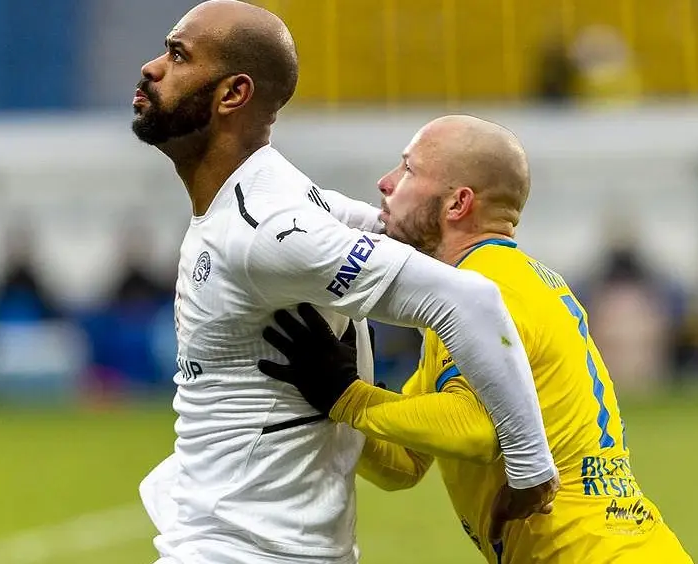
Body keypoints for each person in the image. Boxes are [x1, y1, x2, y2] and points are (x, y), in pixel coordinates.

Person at [130, 2, 557, 564]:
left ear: (234, 94)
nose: (152, 67)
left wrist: (530, 466)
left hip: (243, 551)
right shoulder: (280, 199)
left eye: (178, 55)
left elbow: (468, 297)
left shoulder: (266, 228)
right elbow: (405, 236)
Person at [258, 116, 694, 564]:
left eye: (408, 169)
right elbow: (403, 463)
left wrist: (348, 397)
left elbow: (474, 429)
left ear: (458, 203)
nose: (385, 183)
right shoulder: (495, 286)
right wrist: (328, 395)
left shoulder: (488, 286)